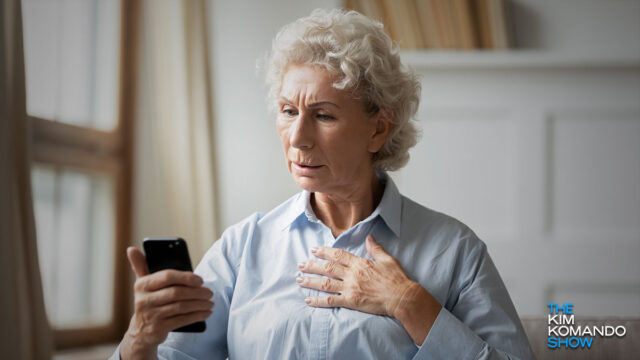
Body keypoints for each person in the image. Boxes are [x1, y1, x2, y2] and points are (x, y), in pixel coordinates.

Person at [113, 8, 535, 360]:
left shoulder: (455, 251)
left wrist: (407, 304)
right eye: (287, 111)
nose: (297, 138)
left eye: (324, 115)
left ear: (378, 130)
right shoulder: (242, 249)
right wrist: (139, 339)